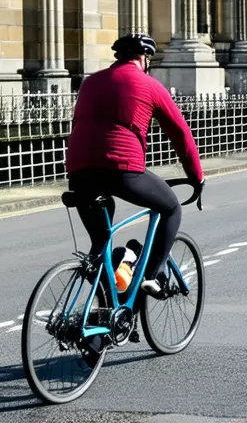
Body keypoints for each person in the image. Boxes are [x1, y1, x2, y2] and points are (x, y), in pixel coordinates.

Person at [65, 33, 205, 296]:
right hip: (122, 169)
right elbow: (180, 133)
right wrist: (196, 176)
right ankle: (152, 276)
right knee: (172, 208)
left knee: (100, 244)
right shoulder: (148, 84)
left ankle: (104, 317)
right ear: (144, 59)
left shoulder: (90, 83)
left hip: (79, 171)